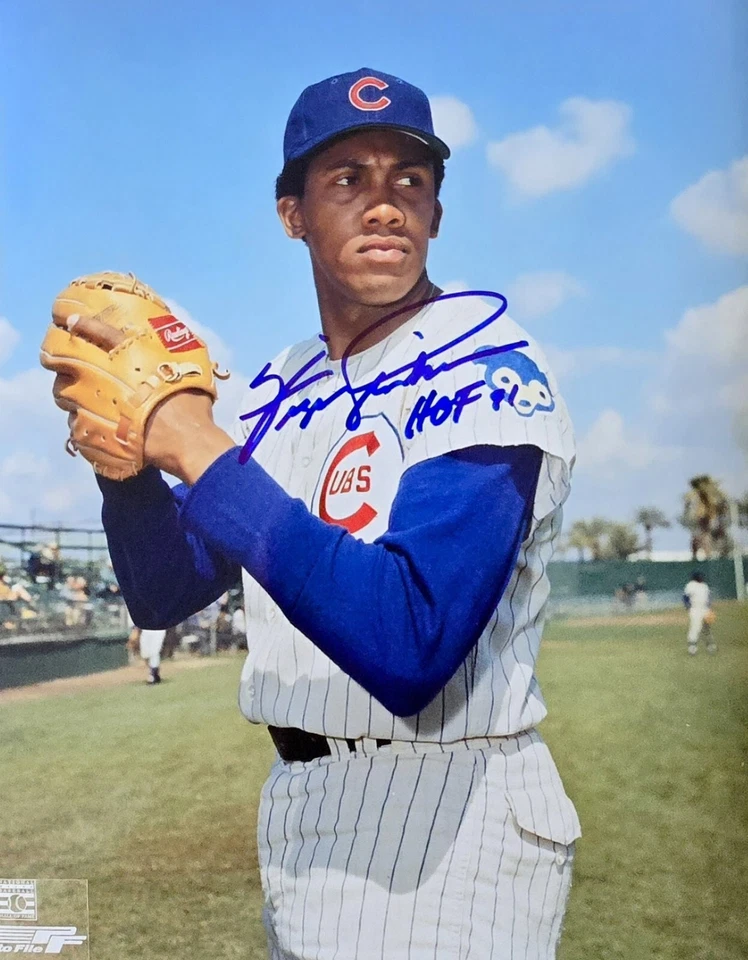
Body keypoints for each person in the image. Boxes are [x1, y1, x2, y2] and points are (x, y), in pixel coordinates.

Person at [57, 68, 580, 958]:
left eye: (409, 179)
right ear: (292, 215)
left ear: (437, 214)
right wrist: (127, 466)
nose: (385, 204)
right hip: (303, 808)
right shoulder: (284, 383)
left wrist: (197, 446)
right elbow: (165, 589)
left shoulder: (485, 365)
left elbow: (413, 641)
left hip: (449, 817)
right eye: (347, 178)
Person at [683, 571, 716, 655]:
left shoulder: (704, 585)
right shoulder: (690, 585)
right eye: (700, 576)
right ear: (695, 577)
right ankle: (692, 647)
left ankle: (710, 646)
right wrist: (688, 606)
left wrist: (709, 608)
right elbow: (685, 597)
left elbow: (708, 597)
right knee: (696, 627)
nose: (702, 577)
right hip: (695, 609)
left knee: (706, 628)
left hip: (705, 609)